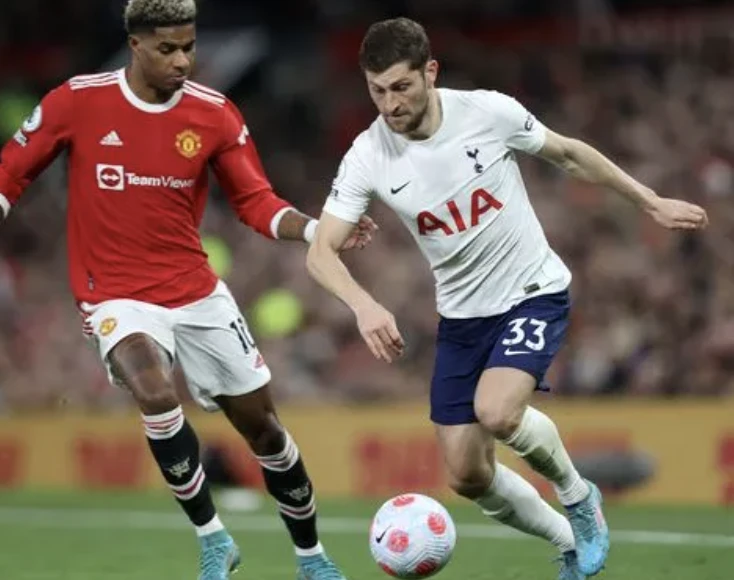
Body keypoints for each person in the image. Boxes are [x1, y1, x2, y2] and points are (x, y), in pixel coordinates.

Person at [306, 17, 709, 580]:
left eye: (401, 87)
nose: (390, 104)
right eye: (377, 91)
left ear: (430, 72)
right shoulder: (368, 154)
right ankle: (569, 543)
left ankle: (579, 496)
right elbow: (320, 252)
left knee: (496, 411)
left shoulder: (486, 112)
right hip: (462, 319)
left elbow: (569, 154)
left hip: (532, 291)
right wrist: (363, 304)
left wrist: (650, 201)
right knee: (467, 475)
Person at [0, 1, 376, 579]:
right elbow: (11, 171)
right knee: (154, 392)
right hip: (114, 295)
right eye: (167, 49)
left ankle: (312, 557)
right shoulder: (77, 100)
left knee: (265, 432)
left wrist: (315, 229)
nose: (182, 61)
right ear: (135, 45)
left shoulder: (214, 113)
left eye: (189, 47)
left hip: (197, 294)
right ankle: (213, 538)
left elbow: (256, 202)